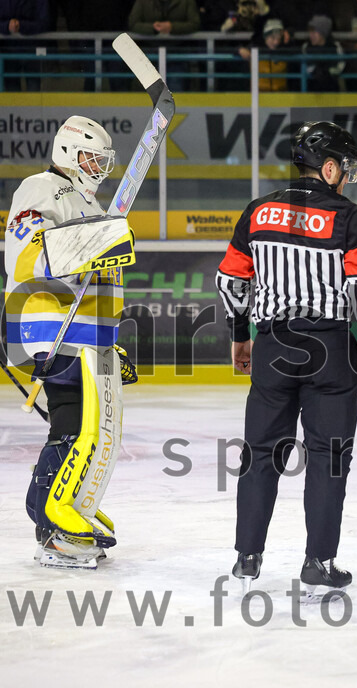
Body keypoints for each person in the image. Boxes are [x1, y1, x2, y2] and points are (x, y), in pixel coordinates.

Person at [215, 121, 357, 595]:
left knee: (261, 455)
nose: (348, 177)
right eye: (345, 169)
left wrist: (240, 333)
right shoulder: (349, 217)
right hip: (330, 349)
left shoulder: (257, 211)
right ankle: (319, 561)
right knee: (329, 460)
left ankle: (247, 557)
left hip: (272, 345)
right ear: (329, 167)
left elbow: (231, 280)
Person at [4, 116, 135, 569]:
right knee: (78, 426)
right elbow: (27, 255)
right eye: (89, 158)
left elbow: (95, 284)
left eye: (102, 160)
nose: (97, 167)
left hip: (85, 334)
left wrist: (110, 344)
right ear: (65, 152)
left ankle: (68, 506)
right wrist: (95, 243)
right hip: (48, 327)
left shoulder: (90, 204)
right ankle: (50, 514)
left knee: (89, 426)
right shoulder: (41, 188)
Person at [0, 0, 52, 91]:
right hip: (8, 52)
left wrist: (21, 26)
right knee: (12, 92)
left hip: (32, 51)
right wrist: (7, 26)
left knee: (33, 89)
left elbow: (44, 23)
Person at [301, 14, 344, 92]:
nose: (311, 35)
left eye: (314, 32)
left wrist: (327, 72)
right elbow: (305, 66)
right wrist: (315, 71)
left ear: (323, 33)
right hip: (311, 91)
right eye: (310, 32)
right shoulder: (306, 47)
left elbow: (340, 65)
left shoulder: (335, 46)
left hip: (332, 91)